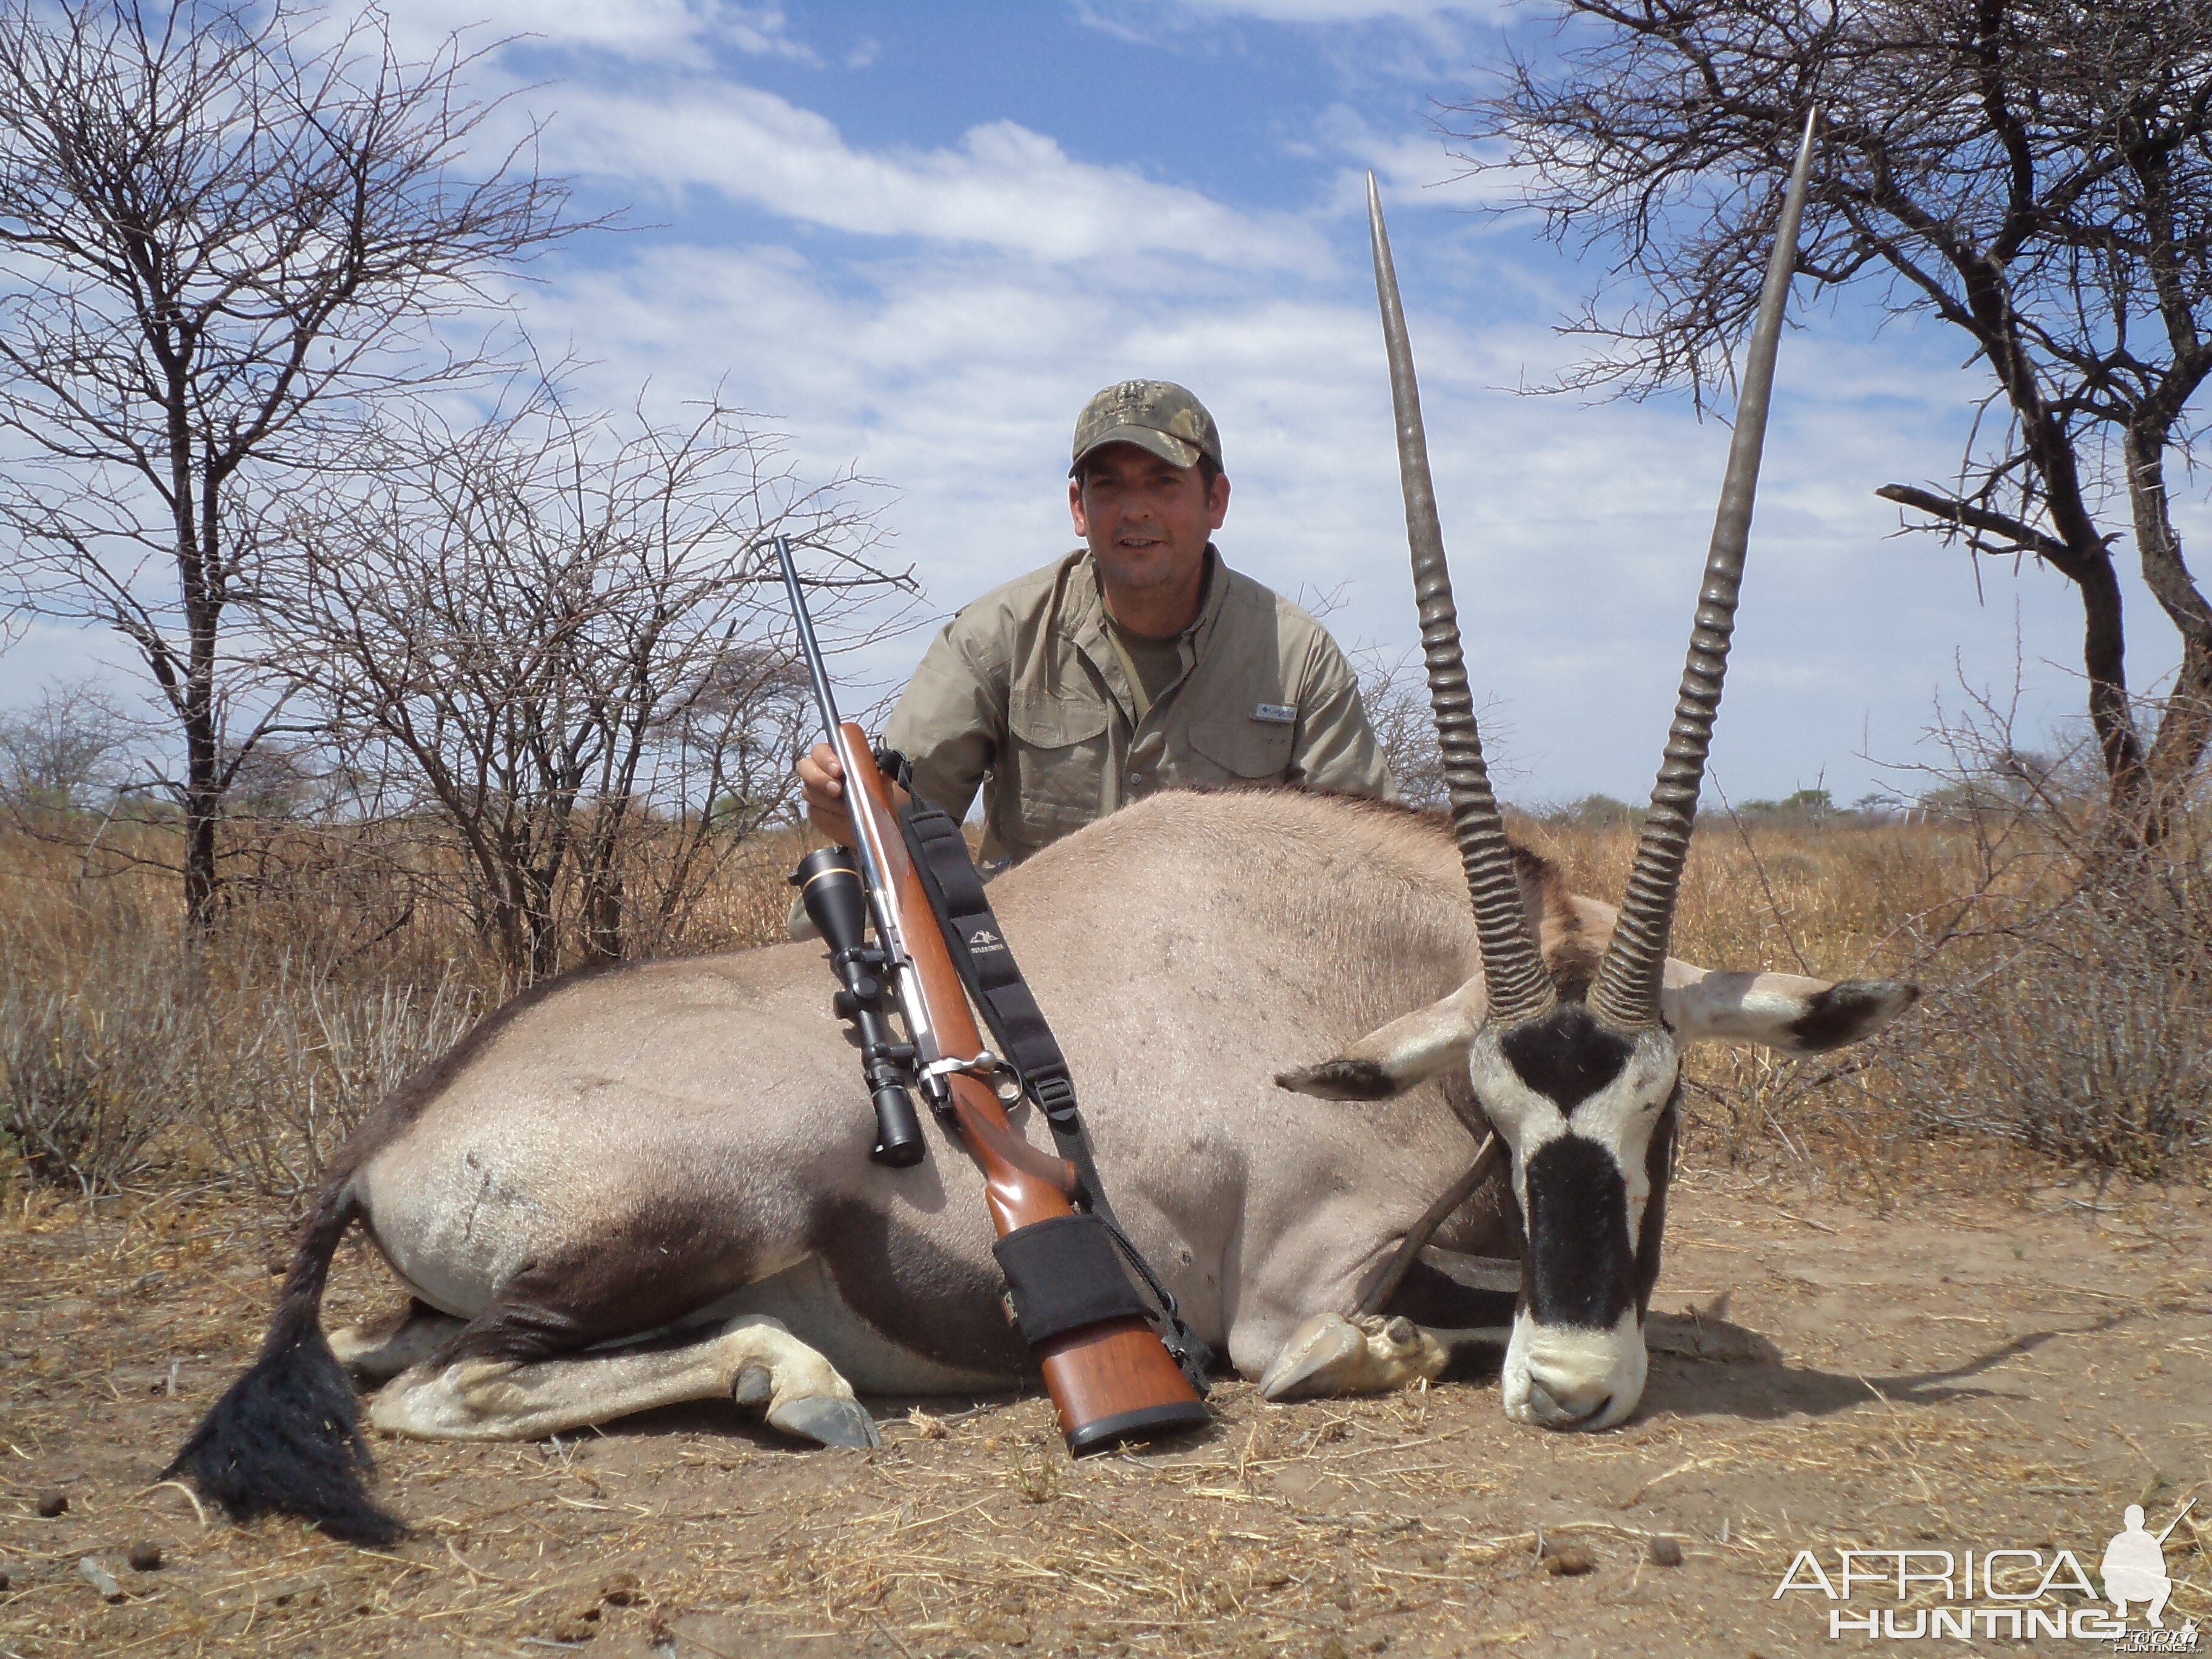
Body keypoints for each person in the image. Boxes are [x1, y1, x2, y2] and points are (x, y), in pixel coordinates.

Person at [797, 379, 1392, 864]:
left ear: (1217, 502)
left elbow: (1367, 862)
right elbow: (900, 822)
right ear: (1080, 508)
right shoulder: (995, 637)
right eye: (1110, 487)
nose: (1136, 508)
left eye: (1164, 483)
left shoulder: (1297, 657)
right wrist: (856, 808)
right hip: (1040, 974)